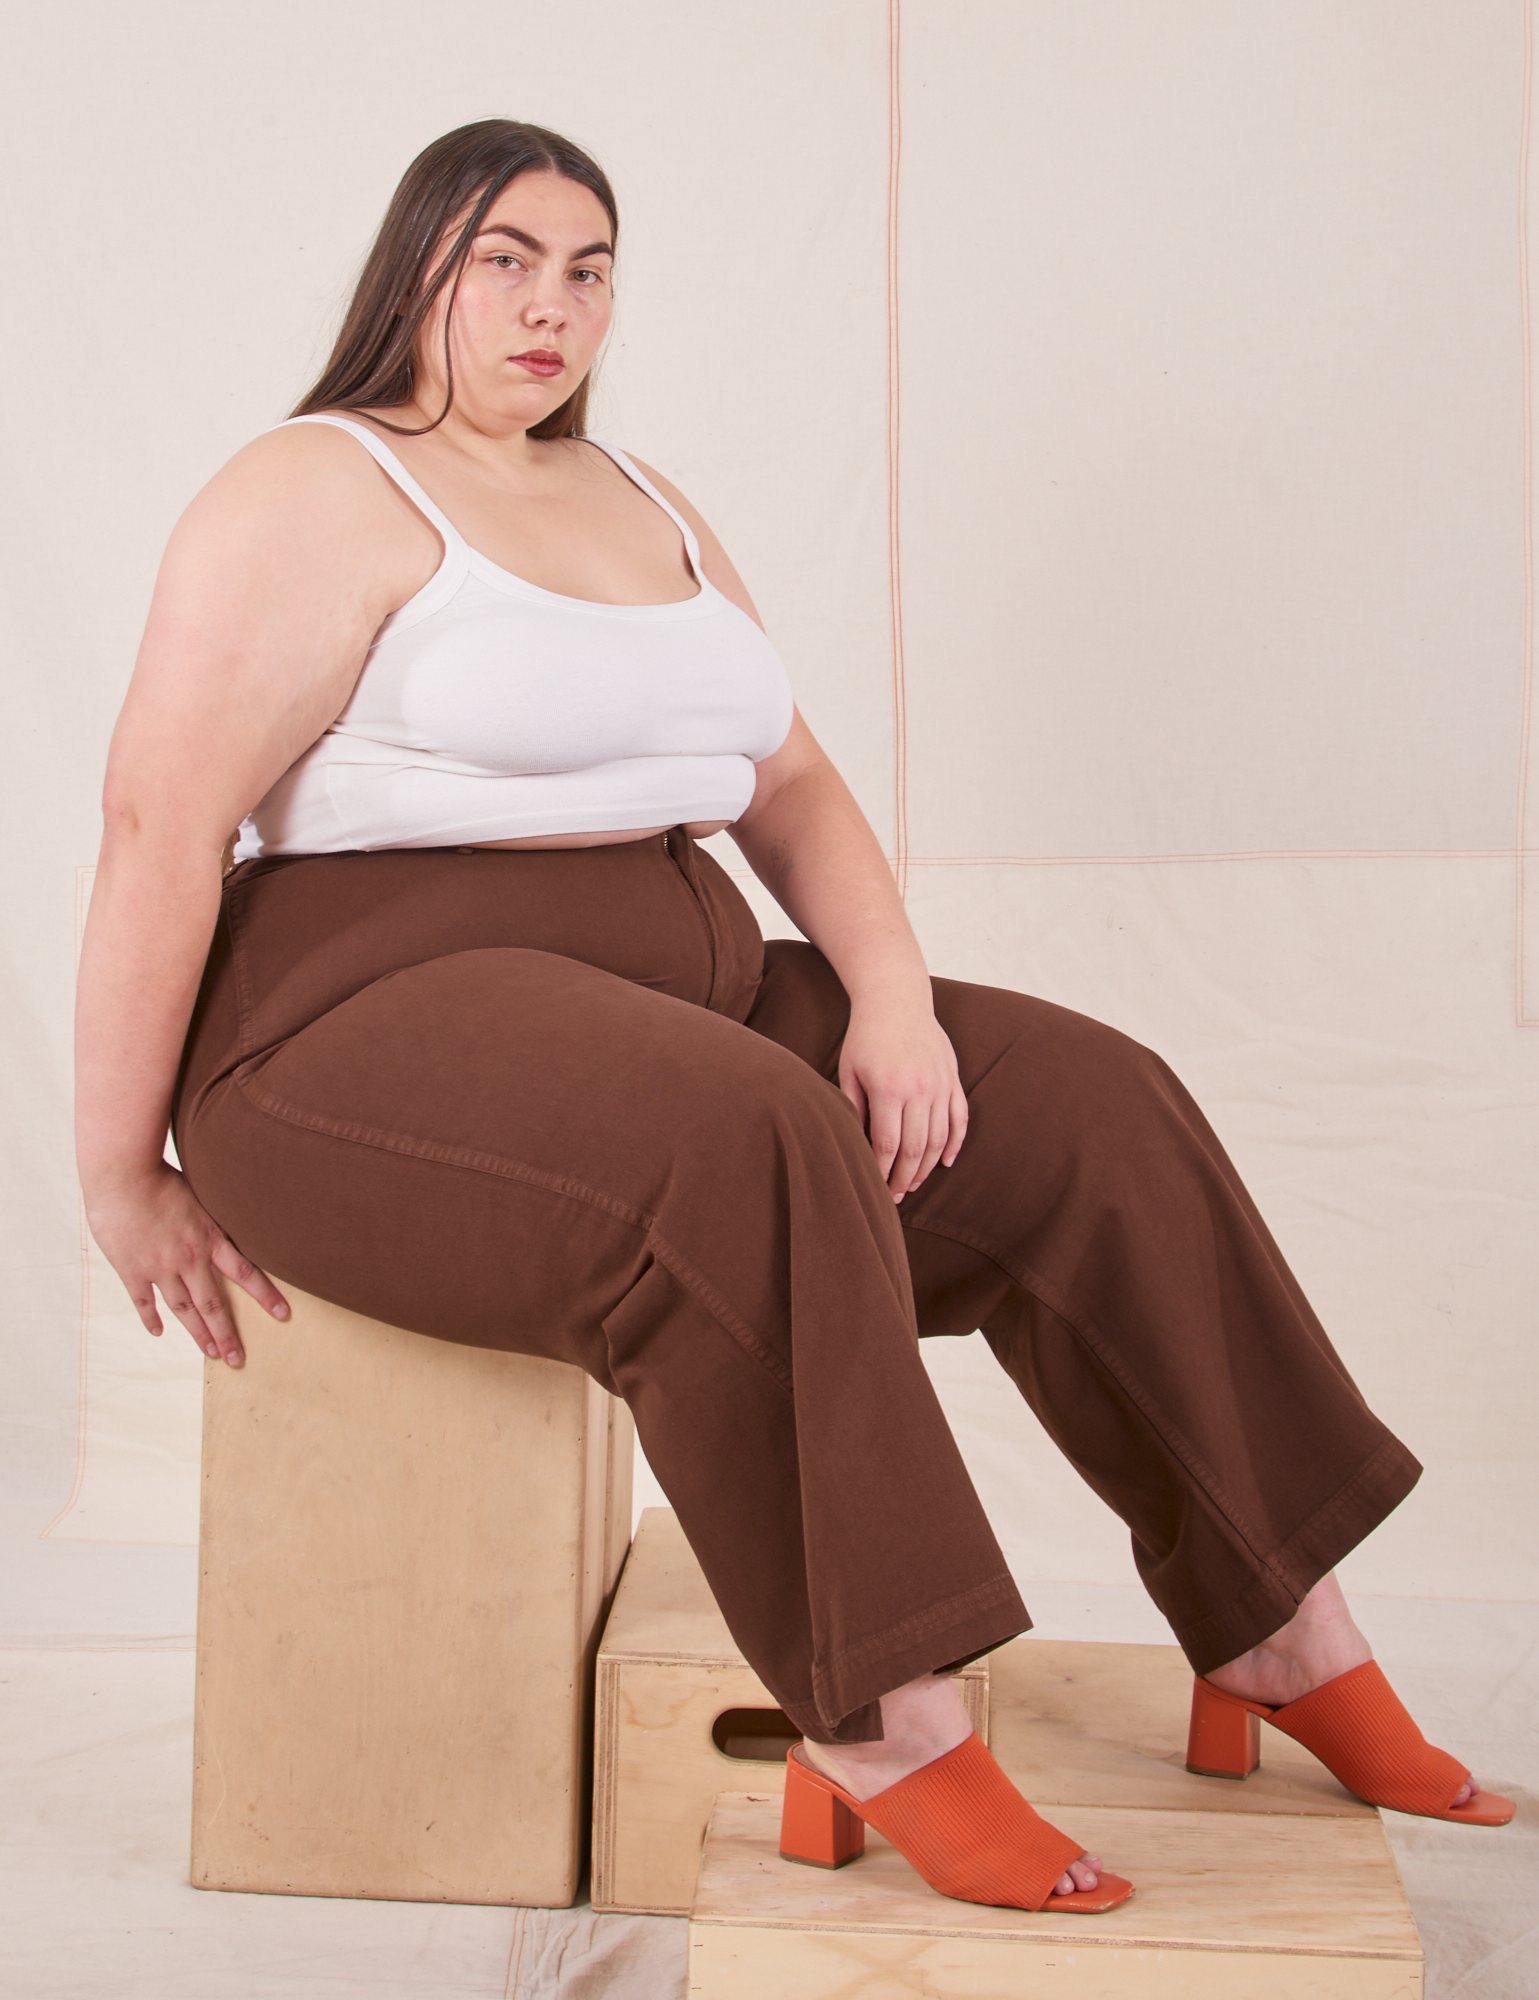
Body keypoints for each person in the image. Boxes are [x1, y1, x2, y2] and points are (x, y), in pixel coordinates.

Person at [74, 118, 1512, 1918]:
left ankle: (1279, 1631)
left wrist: (892, 1001)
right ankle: (886, 1719)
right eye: (503, 260)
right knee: (734, 1136)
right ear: (416, 270)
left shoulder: (644, 500)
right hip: (351, 1026)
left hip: (671, 980)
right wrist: (120, 1166)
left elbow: (794, 779)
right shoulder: (309, 485)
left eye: (587, 269)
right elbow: (154, 822)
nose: (550, 306)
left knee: (1083, 1104)